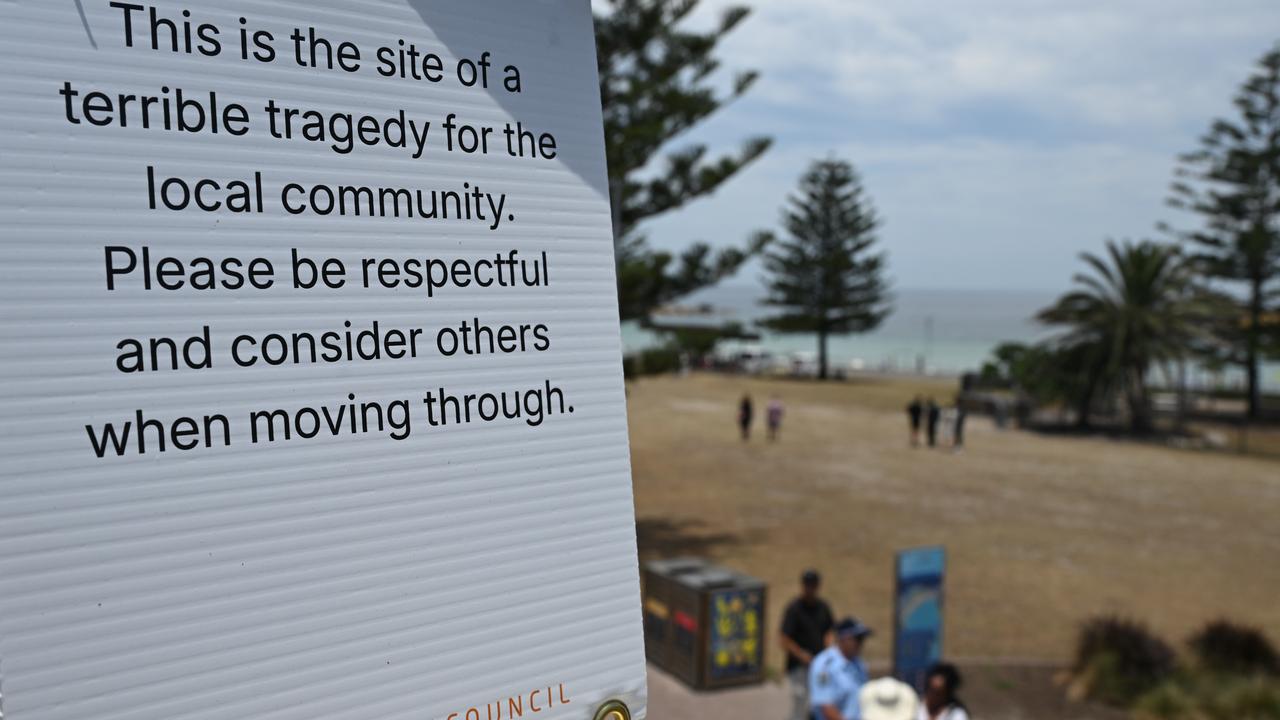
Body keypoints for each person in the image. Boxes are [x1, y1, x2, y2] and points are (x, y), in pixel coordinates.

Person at [781, 570, 835, 720]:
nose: (810, 589)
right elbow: (784, 638)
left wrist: (828, 649)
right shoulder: (795, 609)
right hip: (798, 667)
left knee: (818, 702)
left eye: (813, 585)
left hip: (819, 666)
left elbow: (829, 629)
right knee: (800, 702)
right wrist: (801, 655)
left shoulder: (823, 607)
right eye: (807, 585)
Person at [809, 617, 872, 720]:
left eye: (862, 639)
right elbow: (826, 706)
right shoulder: (824, 665)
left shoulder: (858, 663)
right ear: (843, 638)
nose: (860, 644)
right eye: (857, 639)